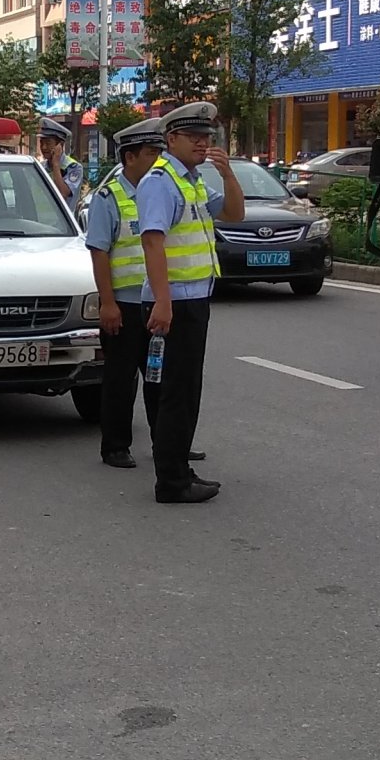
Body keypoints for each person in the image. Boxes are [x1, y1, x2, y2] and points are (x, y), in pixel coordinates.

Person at [132, 102, 244, 504]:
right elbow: (152, 243)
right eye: (194, 137)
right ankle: (172, 481)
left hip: (194, 300)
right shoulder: (160, 182)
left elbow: (233, 213)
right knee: (176, 394)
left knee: (185, 391)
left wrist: (228, 174)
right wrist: (163, 302)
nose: (202, 143)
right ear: (171, 139)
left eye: (206, 137)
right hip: (174, 303)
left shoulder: (192, 181)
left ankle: (178, 469)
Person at [82, 118, 170, 471]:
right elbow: (99, 252)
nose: (158, 160)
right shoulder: (109, 198)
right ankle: (116, 446)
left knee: (162, 378)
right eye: (151, 153)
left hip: (158, 303)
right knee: (121, 379)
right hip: (126, 304)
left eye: (160, 153)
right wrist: (108, 303)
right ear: (129, 157)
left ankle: (168, 442)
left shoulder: (162, 192)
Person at [39, 117, 83, 204]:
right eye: (41, 143)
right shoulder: (41, 166)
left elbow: (63, 194)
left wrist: (56, 164)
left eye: (48, 143)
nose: (43, 147)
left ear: (60, 145)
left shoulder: (74, 167)